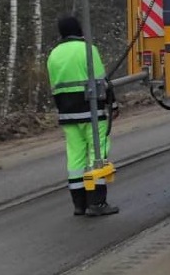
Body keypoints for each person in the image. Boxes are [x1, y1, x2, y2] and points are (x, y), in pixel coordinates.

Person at [47, 15, 119, 217]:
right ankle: (97, 202)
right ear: (79, 29)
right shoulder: (88, 50)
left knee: (75, 158)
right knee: (97, 155)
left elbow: (54, 87)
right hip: (91, 111)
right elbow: (101, 82)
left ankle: (79, 204)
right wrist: (112, 104)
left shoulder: (54, 55)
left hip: (67, 114)